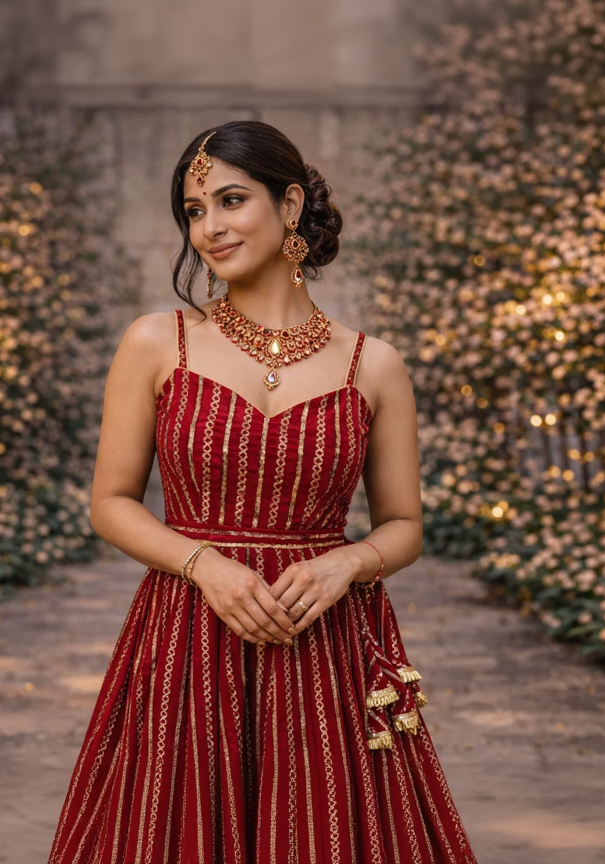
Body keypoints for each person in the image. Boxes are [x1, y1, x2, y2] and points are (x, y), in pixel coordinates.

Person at [48, 120, 479, 863]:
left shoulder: (372, 365)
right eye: (193, 210)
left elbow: (404, 524)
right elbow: (110, 504)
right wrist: (206, 566)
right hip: (187, 638)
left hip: (325, 643)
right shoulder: (159, 342)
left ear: (290, 205)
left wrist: (348, 563)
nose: (208, 227)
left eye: (230, 200)